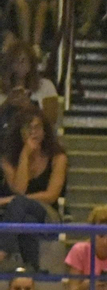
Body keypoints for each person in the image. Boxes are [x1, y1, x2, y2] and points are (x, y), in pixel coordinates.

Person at [0, 107, 66, 275]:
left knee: (19, 204)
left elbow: (51, 196)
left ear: (45, 131)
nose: (33, 133)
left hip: (47, 214)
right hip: (20, 216)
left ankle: (2, 252)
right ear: (19, 133)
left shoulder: (58, 157)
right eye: (28, 128)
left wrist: (11, 201)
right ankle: (33, 268)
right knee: (26, 219)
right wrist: (25, 155)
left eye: (38, 127)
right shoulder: (8, 159)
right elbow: (19, 189)